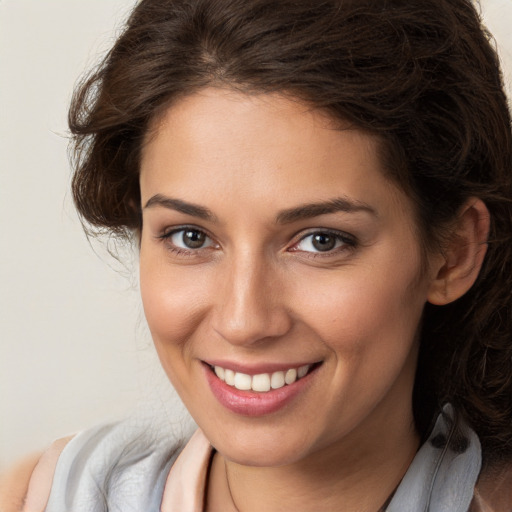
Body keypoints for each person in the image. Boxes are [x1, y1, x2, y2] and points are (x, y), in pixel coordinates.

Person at [2, 0, 512, 510]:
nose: (244, 321)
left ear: (453, 253)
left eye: (321, 240)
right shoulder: (46, 498)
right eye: (191, 237)